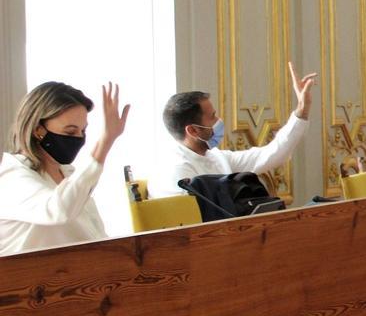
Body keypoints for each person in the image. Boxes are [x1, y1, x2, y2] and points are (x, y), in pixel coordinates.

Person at [149, 62, 317, 197]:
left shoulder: (218, 158)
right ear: (193, 131)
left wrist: (302, 109)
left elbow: (271, 154)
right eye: (212, 117)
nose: (219, 121)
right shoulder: (176, 170)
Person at [0, 82, 129, 255]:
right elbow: (57, 210)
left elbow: (94, 234)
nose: (78, 139)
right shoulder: (11, 178)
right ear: (38, 129)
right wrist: (105, 143)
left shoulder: (68, 174)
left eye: (82, 131)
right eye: (70, 132)